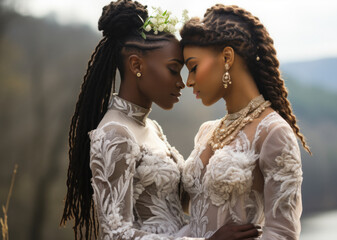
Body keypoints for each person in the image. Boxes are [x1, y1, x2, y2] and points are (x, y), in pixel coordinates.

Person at [60, 1, 261, 240]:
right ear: (136, 65)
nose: (182, 82)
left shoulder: (151, 127)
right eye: (173, 69)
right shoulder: (114, 133)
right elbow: (115, 234)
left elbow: (180, 202)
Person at [180, 4, 311, 240]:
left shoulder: (273, 132)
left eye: (193, 67)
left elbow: (283, 233)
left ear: (227, 57)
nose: (188, 81)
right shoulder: (206, 131)